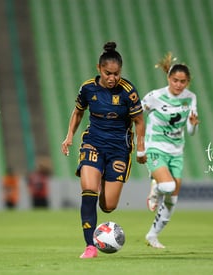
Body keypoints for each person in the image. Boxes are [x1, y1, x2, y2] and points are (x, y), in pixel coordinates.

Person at [61, 42, 147, 258]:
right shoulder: (88, 88)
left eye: (116, 74)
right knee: (88, 191)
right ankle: (90, 246)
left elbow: (138, 120)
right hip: (94, 143)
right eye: (108, 73)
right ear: (99, 69)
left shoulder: (129, 92)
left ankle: (101, 179)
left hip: (119, 149)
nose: (112, 78)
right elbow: (78, 111)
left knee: (108, 206)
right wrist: (69, 135)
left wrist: (140, 148)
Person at [143, 53, 199, 248]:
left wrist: (193, 125)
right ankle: (155, 189)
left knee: (172, 199)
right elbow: (137, 116)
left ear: (188, 82)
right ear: (169, 79)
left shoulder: (191, 98)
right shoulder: (155, 96)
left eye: (183, 81)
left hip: (176, 152)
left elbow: (191, 131)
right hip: (155, 147)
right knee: (167, 187)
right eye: (175, 80)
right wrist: (139, 144)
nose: (179, 85)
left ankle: (152, 235)